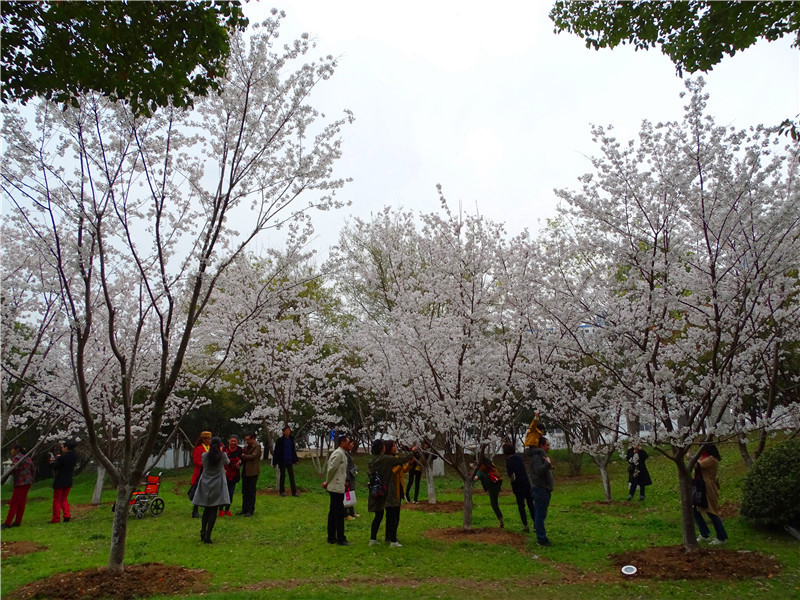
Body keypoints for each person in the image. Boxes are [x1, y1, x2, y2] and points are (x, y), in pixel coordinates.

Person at [367, 439, 417, 547]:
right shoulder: (386, 459)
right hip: (388, 490)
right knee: (392, 515)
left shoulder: (371, 461)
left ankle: (373, 539)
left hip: (377, 489)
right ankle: (393, 540)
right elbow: (402, 459)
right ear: (382, 448)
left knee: (378, 515)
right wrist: (412, 451)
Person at [192, 436, 230, 543]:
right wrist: (222, 451)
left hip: (205, 483)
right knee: (214, 509)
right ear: (219, 445)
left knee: (206, 509)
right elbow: (227, 462)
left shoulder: (205, 455)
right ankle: (208, 535)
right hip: (217, 484)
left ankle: (203, 531)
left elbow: (203, 465)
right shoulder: (222, 455)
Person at [693, 442, 728, 545]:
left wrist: (689, 456)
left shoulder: (711, 460)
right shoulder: (704, 457)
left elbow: (697, 465)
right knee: (695, 510)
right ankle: (705, 534)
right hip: (699, 487)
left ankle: (722, 537)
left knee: (711, 512)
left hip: (707, 488)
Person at [322, 434, 353, 546]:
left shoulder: (342, 454)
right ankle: (340, 538)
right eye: (348, 442)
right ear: (342, 442)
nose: (350, 444)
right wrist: (327, 481)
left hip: (338, 486)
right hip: (335, 487)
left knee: (334, 512)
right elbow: (331, 469)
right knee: (338, 513)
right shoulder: (338, 454)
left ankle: (331, 537)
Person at [2, 443, 36, 529]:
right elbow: (33, 469)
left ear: (17, 450)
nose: (11, 451)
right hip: (28, 482)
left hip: (20, 483)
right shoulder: (27, 457)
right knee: (21, 502)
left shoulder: (17, 458)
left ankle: (7, 522)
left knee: (14, 502)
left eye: (12, 449)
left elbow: (13, 469)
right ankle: (18, 521)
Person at [503, 441, 535, 532]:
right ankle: (536, 524)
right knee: (531, 504)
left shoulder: (509, 462)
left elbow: (512, 476)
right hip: (526, 483)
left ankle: (525, 526)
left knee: (521, 506)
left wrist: (512, 484)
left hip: (518, 486)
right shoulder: (519, 458)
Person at [530, 436, 554, 546]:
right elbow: (538, 470)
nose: (549, 447)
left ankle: (541, 535)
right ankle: (541, 538)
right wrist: (547, 464)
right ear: (541, 446)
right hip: (540, 489)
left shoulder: (540, 456)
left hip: (543, 489)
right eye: (547, 445)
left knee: (541, 514)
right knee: (540, 514)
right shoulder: (536, 456)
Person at [472, 448, 504, 528]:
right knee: (494, 504)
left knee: (480, 473)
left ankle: (472, 482)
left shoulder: (483, 466)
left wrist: (475, 477)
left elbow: (480, 472)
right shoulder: (489, 463)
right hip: (495, 486)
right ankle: (501, 522)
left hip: (493, 485)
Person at [50, 440, 77, 524]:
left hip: (60, 481)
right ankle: (67, 515)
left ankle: (56, 518)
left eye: (62, 447)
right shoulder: (74, 456)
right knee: (64, 499)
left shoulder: (63, 457)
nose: (62, 448)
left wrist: (52, 462)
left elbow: (56, 467)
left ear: (66, 447)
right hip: (68, 480)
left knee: (57, 500)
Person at [272, 425, 299, 497]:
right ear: (283, 432)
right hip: (282, 460)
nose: (288, 432)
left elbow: (293, 451)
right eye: (286, 431)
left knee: (291, 476)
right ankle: (282, 491)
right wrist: (274, 462)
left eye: (289, 430)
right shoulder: (280, 440)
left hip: (289, 460)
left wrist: (296, 460)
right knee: (282, 476)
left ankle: (294, 492)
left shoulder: (291, 440)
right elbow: (276, 451)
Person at [239, 432, 261, 516]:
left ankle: (250, 510)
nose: (246, 441)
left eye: (248, 440)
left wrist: (243, 456)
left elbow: (253, 456)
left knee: (251, 492)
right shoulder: (246, 447)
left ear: (253, 439)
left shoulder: (257, 446)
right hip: (245, 471)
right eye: (246, 440)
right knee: (245, 492)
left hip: (253, 472)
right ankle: (244, 509)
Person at [191, 431, 212, 518]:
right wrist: (205, 465)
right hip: (200, 472)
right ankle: (195, 509)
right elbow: (196, 461)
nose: (209, 441)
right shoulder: (198, 449)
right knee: (198, 491)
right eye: (208, 439)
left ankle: (207, 509)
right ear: (204, 439)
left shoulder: (211, 448)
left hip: (209, 473)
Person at [221, 435, 243, 516]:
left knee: (230, 492)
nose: (233, 442)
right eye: (232, 441)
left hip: (234, 474)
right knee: (222, 492)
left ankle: (227, 509)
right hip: (224, 473)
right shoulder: (224, 449)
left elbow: (242, 459)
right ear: (229, 441)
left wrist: (240, 463)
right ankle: (220, 509)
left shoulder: (240, 450)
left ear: (237, 442)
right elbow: (220, 459)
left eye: (235, 441)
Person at [344, 443, 360, 520]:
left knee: (351, 494)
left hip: (351, 476)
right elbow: (346, 467)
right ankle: (346, 513)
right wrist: (347, 479)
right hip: (348, 478)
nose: (352, 445)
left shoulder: (349, 453)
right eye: (350, 444)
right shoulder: (345, 454)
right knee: (347, 495)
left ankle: (351, 511)